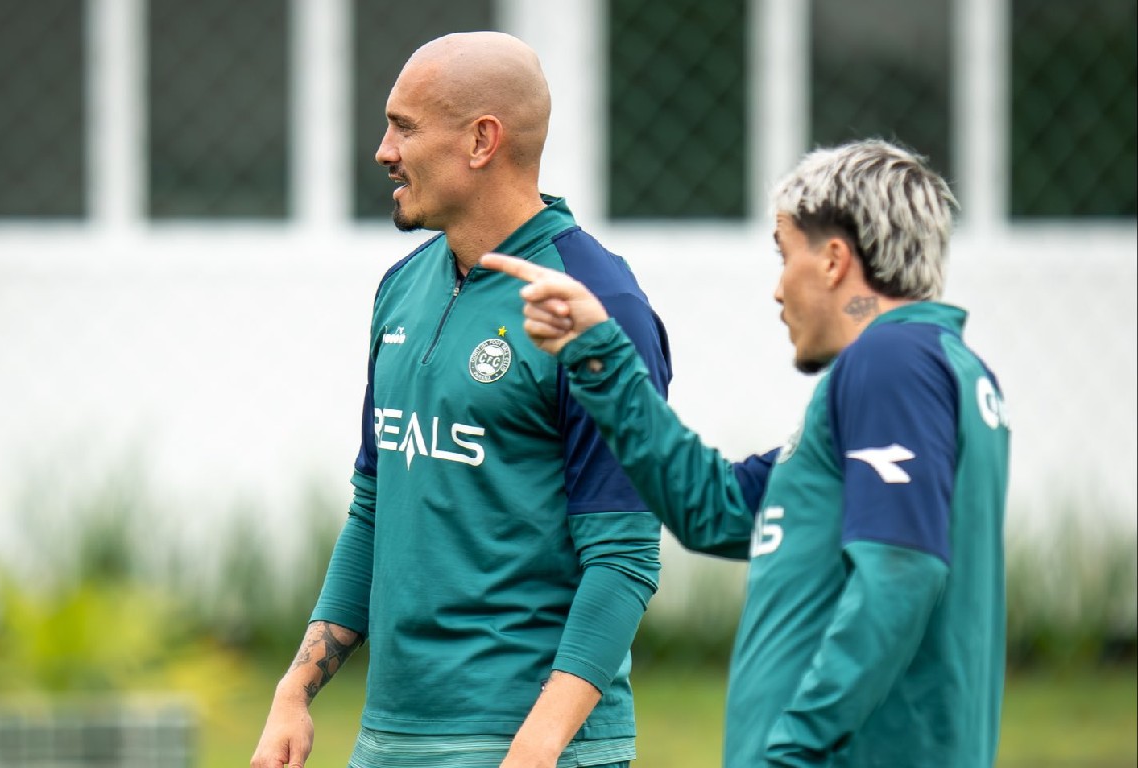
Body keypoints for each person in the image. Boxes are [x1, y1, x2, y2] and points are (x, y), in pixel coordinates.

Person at [483, 139, 1011, 767]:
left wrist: (792, 750)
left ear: (835, 260)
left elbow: (901, 573)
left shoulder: (891, 364)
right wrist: (601, 356)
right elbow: (719, 509)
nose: (777, 290)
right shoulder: (937, 368)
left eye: (786, 255)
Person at [250, 31, 672, 768]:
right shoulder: (401, 288)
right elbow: (375, 507)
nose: (384, 150)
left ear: (482, 141)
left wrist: (536, 748)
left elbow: (625, 559)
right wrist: (295, 691)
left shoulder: (597, 305)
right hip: (390, 741)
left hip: (527, 747)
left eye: (405, 127)